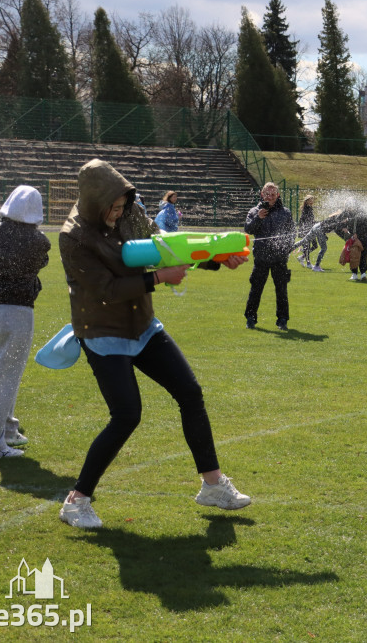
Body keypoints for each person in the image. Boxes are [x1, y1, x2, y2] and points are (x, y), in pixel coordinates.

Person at [57, 159, 250, 529]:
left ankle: (213, 486)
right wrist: (159, 278)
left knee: (190, 392)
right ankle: (76, 501)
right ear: (96, 202)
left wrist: (217, 258)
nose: (118, 213)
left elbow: (164, 247)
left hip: (141, 323)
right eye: (112, 208)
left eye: (121, 206)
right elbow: (102, 291)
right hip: (102, 330)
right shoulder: (73, 235)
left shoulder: (129, 213)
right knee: (127, 415)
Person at [0, 185, 51, 459]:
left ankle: (6, 430)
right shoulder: (39, 240)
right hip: (17, 312)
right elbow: (40, 262)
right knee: (5, 379)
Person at [243, 182, 295, 330]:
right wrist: (258, 218)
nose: (270, 197)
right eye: (267, 194)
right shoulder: (254, 211)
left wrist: (286, 248)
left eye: (273, 194)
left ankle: (283, 320)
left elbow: (292, 233)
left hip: (280, 258)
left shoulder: (285, 212)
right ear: (262, 194)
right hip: (261, 258)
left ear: (277, 195)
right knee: (256, 289)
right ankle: (251, 318)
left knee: (282, 291)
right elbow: (248, 229)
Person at [347, 201, 367, 281]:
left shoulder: (355, 215)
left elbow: (352, 225)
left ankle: (354, 274)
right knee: (363, 256)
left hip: (356, 239)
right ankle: (363, 273)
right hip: (365, 238)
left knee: (354, 255)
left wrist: (353, 233)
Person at [297, 194, 316, 267]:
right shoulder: (306, 209)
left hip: (310, 229)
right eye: (311, 199)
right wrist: (302, 230)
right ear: (307, 201)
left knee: (315, 245)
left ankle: (302, 257)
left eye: (312, 199)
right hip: (306, 230)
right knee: (307, 246)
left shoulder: (310, 208)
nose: (312, 200)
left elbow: (311, 220)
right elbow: (302, 220)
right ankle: (308, 263)